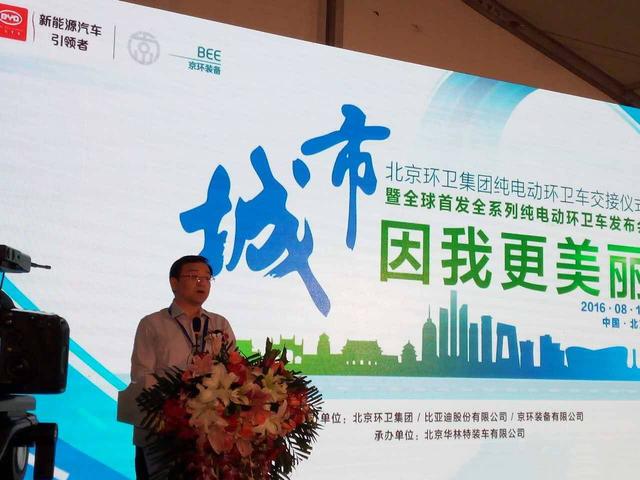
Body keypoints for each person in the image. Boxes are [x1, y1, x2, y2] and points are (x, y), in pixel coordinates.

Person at [118, 255, 236, 479]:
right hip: (161, 434)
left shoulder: (220, 324)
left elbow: (234, 372)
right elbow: (141, 376)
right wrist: (183, 391)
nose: (202, 283)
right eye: (194, 276)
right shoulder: (152, 324)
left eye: (207, 278)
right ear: (174, 282)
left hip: (209, 434)